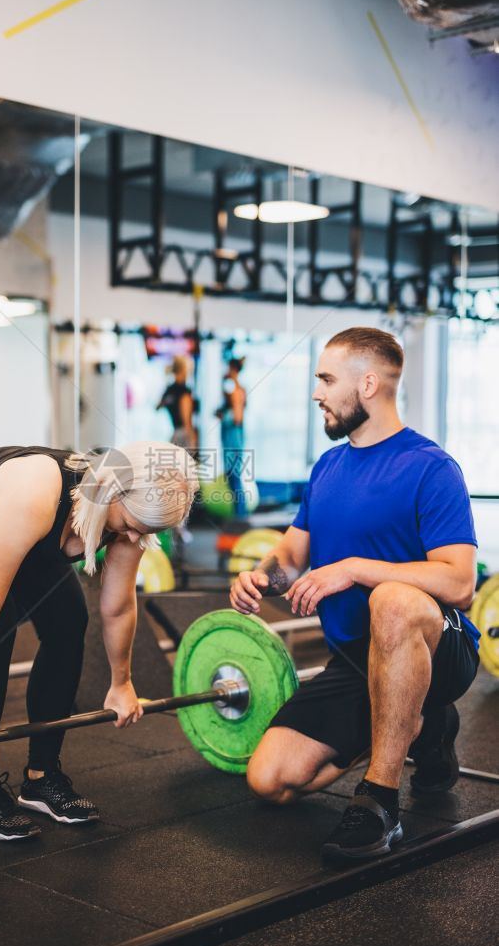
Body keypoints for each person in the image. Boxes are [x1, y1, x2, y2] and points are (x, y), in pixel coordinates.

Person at [229, 327, 479, 862]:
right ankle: (418, 721)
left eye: (325, 379)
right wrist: (261, 576)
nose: (316, 392)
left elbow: (460, 584)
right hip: (358, 658)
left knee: (390, 599)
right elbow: (291, 558)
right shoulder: (328, 468)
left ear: (368, 383)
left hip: (441, 644)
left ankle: (380, 800)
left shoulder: (430, 467)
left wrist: (355, 569)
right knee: (269, 780)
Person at [0, 442, 197, 842]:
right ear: (112, 492)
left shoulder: (130, 516)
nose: (137, 535)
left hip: (18, 526)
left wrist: (121, 683)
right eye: (134, 523)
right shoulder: (37, 497)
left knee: (69, 620)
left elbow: (118, 607)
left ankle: (41, 777)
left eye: (149, 529)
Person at [216, 357, 248, 518]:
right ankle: (239, 514)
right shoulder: (232, 390)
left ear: (233, 369)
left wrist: (223, 415)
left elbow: (237, 418)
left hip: (234, 441)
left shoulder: (236, 391)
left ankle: (241, 516)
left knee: (234, 477)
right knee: (233, 478)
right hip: (231, 440)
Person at [157, 355, 198, 451]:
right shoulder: (184, 392)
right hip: (183, 435)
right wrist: (193, 438)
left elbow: (158, 406)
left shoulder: (169, 390)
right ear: (184, 369)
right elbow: (186, 420)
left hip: (174, 434)